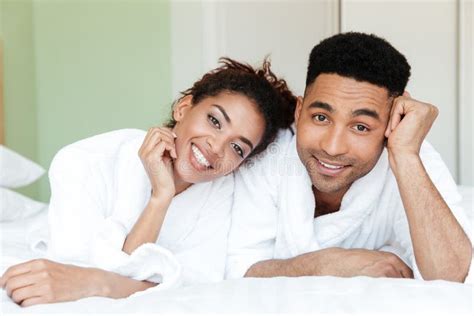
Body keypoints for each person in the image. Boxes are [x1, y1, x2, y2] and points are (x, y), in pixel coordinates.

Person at [0, 58, 297, 307]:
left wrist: (161, 197)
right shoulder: (85, 161)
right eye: (215, 121)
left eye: (237, 148)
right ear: (183, 108)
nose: (216, 147)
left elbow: (197, 285)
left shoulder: (221, 192)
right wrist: (126, 281)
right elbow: (71, 275)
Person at [226, 32, 472, 282]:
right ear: (299, 112)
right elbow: (237, 268)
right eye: (321, 117)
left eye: (361, 127)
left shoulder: (410, 153)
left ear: (392, 124)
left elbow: (453, 279)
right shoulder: (269, 154)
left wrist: (406, 157)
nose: (332, 147)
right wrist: (327, 263)